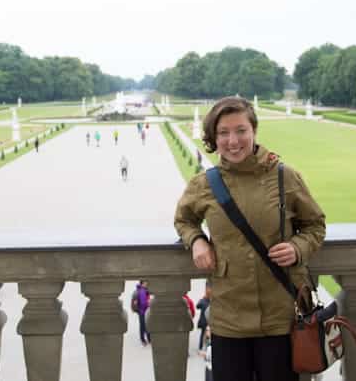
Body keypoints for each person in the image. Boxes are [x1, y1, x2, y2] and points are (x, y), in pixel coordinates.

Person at [174, 96, 326, 381]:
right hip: (229, 320)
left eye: (241, 130)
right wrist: (196, 240)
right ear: (213, 137)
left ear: (254, 131)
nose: (233, 140)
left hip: (281, 318)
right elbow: (183, 219)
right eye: (223, 132)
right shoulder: (204, 184)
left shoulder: (285, 177)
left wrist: (298, 247)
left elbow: (315, 225)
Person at [196, 281, 212, 352]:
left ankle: (204, 347)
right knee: (204, 334)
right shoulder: (204, 301)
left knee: (206, 334)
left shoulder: (205, 300)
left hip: (207, 320)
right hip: (204, 321)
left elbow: (197, 306)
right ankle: (202, 347)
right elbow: (197, 306)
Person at [135, 280, 151, 346]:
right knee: (144, 325)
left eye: (146, 282)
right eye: (144, 283)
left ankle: (146, 339)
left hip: (142, 311)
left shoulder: (144, 290)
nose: (146, 284)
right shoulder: (142, 291)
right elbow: (143, 303)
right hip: (143, 311)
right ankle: (144, 340)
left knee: (144, 325)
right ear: (141, 284)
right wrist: (149, 303)